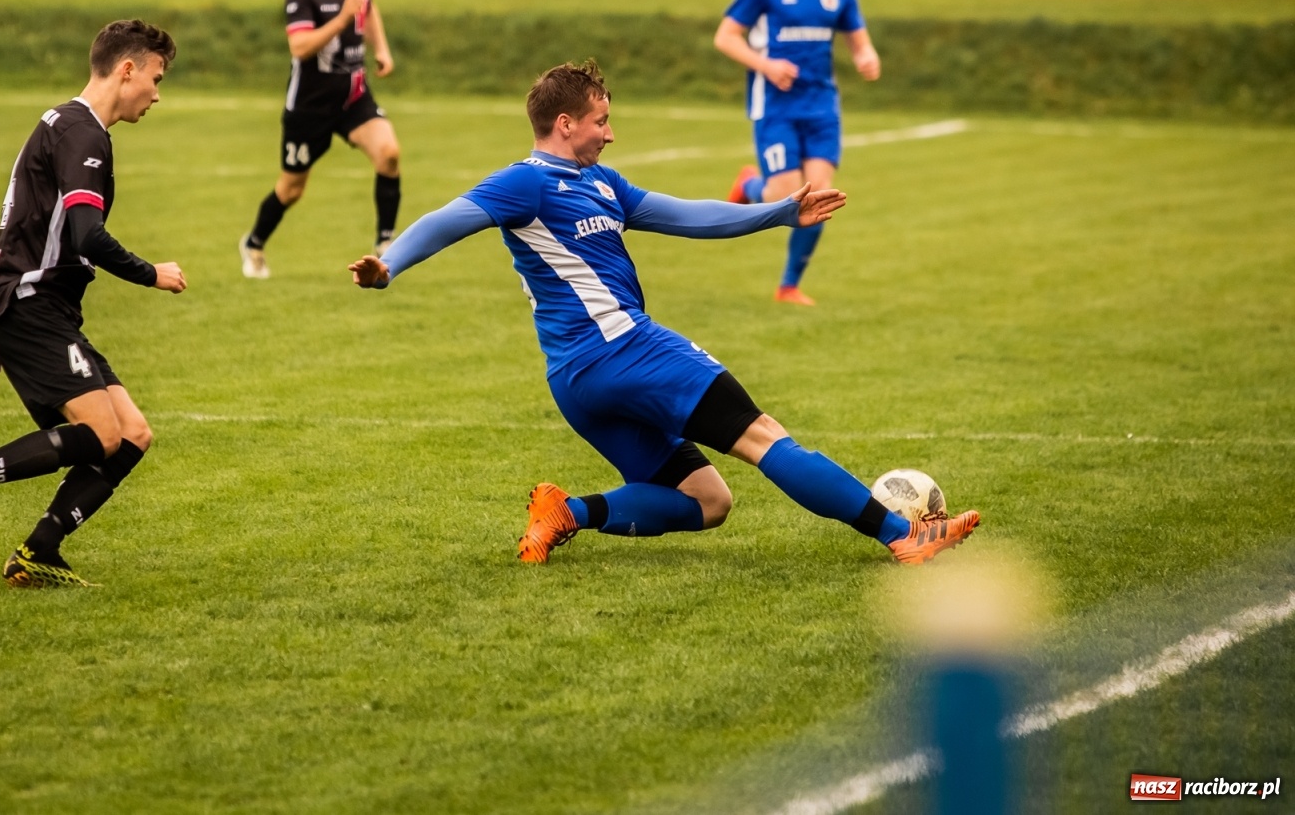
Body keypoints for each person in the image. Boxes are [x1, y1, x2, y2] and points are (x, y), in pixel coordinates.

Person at [348, 60, 977, 565]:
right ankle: (902, 533)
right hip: (627, 351)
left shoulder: (604, 184)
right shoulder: (527, 182)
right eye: (601, 121)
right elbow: (448, 219)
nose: (610, 132)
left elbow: (690, 215)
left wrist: (779, 212)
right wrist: (390, 263)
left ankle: (568, 511)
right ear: (565, 123)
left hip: (579, 380)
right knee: (764, 437)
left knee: (708, 500)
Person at [0, 19, 188, 589]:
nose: (157, 94)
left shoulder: (63, 123)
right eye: (155, 79)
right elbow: (85, 235)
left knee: (132, 434)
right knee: (103, 434)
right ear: (126, 69)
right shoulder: (83, 134)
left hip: (34, 306)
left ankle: (39, 552)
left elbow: (21, 224)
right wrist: (150, 273)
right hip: (33, 303)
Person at [713, 0, 881, 306]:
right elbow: (725, 37)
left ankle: (788, 286)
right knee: (783, 194)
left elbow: (859, 41)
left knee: (819, 196)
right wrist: (766, 65)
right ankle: (750, 185)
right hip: (775, 105)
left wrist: (867, 56)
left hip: (822, 106)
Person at [239, 0, 400, 279]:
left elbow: (368, 10)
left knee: (389, 154)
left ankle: (386, 244)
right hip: (309, 107)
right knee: (291, 189)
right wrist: (342, 18)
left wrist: (382, 49)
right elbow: (299, 47)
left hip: (353, 98)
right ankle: (254, 243)